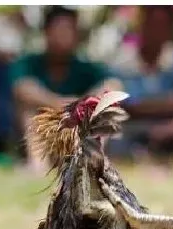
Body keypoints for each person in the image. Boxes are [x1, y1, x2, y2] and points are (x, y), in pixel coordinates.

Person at [9, 6, 120, 172]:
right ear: (47, 32)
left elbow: (114, 85)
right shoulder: (28, 62)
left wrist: (83, 105)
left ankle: (93, 161)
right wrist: (58, 103)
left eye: (70, 30)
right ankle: (37, 164)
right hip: (44, 131)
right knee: (29, 107)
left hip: (78, 131)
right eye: (60, 29)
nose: (65, 35)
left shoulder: (85, 67)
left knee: (104, 107)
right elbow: (21, 88)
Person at [108, 5, 173, 160]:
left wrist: (172, 127)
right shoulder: (122, 62)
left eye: (161, 25)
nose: (155, 31)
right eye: (151, 24)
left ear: (169, 29)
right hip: (134, 125)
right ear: (141, 25)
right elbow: (120, 102)